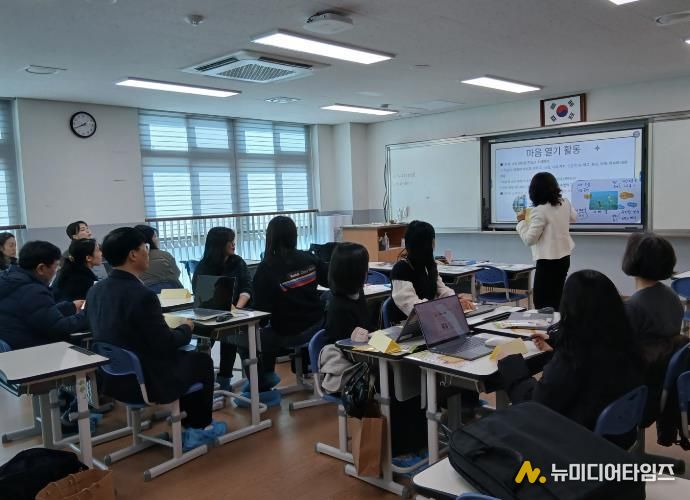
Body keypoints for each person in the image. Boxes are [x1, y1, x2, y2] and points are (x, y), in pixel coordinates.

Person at [86, 227, 226, 449]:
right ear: (133, 254)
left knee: (187, 359)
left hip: (113, 378)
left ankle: (189, 421)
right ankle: (200, 428)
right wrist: (186, 328)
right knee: (201, 361)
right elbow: (166, 343)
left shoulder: (96, 290)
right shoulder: (142, 295)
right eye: (145, 247)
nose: (148, 252)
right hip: (148, 381)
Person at [497, 270, 643, 440]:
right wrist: (555, 346)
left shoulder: (572, 358)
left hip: (576, 440)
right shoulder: (624, 341)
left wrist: (511, 363)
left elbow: (535, 406)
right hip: (618, 436)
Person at [250, 216, 327, 402]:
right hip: (317, 327)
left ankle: (263, 384)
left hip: (288, 333)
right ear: (294, 235)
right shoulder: (309, 258)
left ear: (270, 237)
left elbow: (261, 311)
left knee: (254, 336)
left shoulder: (266, 268)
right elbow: (328, 281)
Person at [621, 232, 687, 425]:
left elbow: (618, 351)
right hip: (660, 385)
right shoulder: (672, 296)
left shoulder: (633, 307)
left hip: (638, 387)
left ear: (632, 260)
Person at [192, 226, 252, 391]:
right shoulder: (204, 266)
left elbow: (247, 287)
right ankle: (202, 380)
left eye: (233, 241)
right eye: (230, 242)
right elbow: (199, 294)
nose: (233, 244)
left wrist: (237, 307)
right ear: (219, 245)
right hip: (209, 313)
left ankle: (224, 380)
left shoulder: (237, 262)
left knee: (229, 337)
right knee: (204, 343)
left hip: (235, 312)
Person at [0, 241, 88, 349]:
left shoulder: (8, 280)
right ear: (41, 268)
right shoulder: (33, 291)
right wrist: (87, 314)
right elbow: (59, 329)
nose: (56, 271)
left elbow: (38, 313)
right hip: (31, 351)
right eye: (56, 266)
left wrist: (71, 307)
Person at [390, 220, 474, 324]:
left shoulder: (429, 264)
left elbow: (442, 289)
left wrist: (455, 301)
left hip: (430, 320)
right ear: (429, 244)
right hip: (407, 324)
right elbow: (413, 308)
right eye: (432, 241)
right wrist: (446, 306)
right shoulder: (401, 269)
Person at [516, 172, 577, 310]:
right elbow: (574, 218)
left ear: (534, 191)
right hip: (564, 257)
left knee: (541, 301)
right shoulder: (565, 202)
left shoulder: (539, 211)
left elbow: (529, 240)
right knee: (557, 296)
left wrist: (521, 222)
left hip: (547, 261)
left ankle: (547, 323)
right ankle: (558, 321)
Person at [324, 242, 372, 343]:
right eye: (365, 266)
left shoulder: (358, 292)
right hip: (348, 350)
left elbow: (368, 328)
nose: (368, 270)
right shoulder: (339, 308)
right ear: (355, 273)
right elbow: (345, 346)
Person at [134, 225, 183, 289]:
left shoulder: (132, 259)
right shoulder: (165, 255)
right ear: (149, 240)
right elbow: (177, 273)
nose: (157, 239)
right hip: (172, 292)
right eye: (155, 236)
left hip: (144, 292)